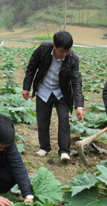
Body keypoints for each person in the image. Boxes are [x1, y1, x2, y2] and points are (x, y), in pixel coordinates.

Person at [22, 31, 84, 162]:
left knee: (63, 120)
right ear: (55, 46)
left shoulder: (73, 58)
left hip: (62, 92)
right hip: (44, 89)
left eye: (68, 51)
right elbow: (31, 67)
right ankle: (44, 147)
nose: (65, 54)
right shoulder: (43, 49)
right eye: (62, 51)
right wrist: (26, 87)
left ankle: (64, 151)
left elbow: (76, 82)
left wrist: (79, 105)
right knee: (43, 120)